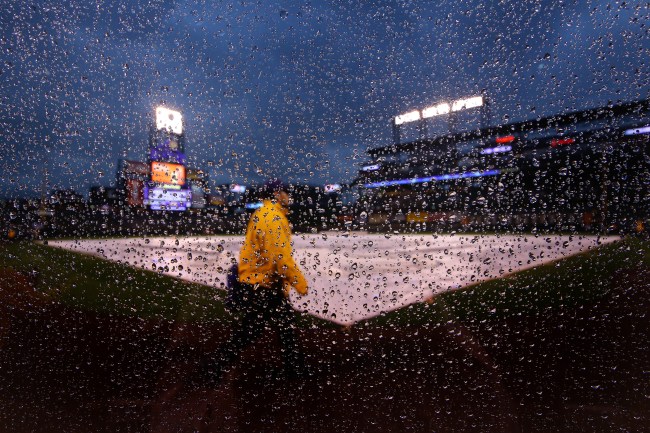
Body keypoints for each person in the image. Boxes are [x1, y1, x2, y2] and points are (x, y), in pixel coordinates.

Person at [197, 178, 309, 384]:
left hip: (260, 282)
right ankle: (213, 369)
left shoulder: (262, 213)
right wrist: (300, 283)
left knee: (277, 328)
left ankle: (295, 370)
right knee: (252, 331)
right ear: (277, 195)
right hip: (264, 284)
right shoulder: (273, 217)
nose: (289, 196)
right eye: (285, 192)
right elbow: (280, 258)